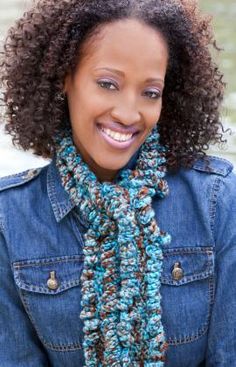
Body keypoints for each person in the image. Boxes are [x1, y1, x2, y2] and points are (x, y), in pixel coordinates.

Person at [0, 0, 235, 366]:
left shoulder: (217, 200)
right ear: (65, 77)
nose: (128, 113)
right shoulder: (9, 219)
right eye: (108, 84)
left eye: (150, 92)